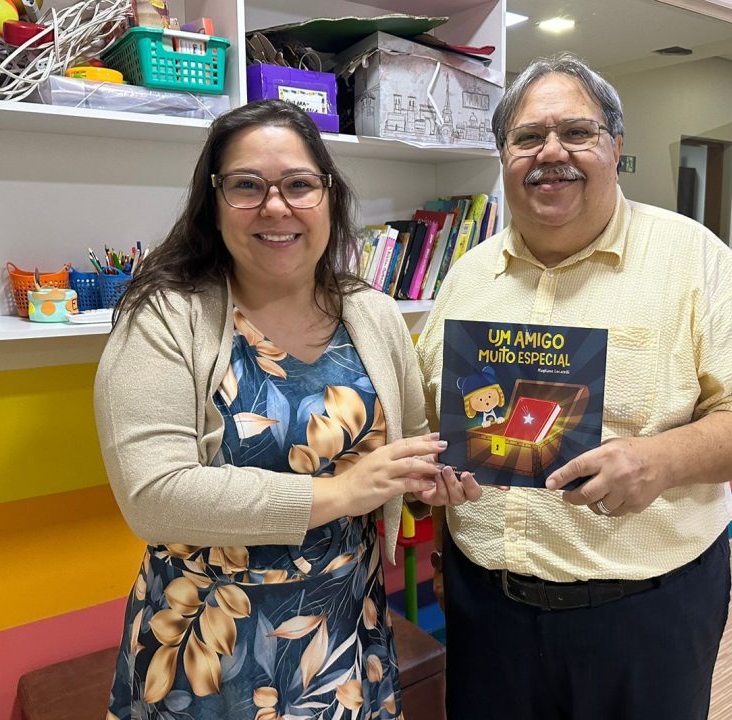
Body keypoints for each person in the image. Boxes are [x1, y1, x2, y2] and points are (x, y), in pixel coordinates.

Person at [416, 53, 732, 720]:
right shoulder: (467, 275)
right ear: (502, 153)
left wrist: (660, 460)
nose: (552, 153)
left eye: (577, 132)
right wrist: (431, 479)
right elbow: (433, 419)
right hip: (488, 611)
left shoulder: (692, 259)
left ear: (614, 145)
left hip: (644, 613)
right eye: (527, 137)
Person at [94, 99, 479, 720]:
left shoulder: (372, 314)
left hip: (345, 634)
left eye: (299, 184)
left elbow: (409, 441)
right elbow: (153, 495)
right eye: (247, 186)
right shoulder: (164, 317)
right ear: (213, 203)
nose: (276, 206)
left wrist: (434, 479)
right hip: (207, 648)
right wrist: (339, 493)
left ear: (329, 196)